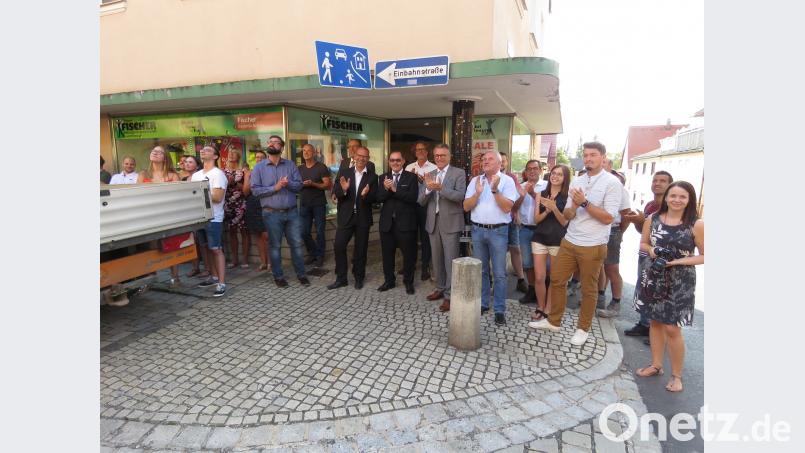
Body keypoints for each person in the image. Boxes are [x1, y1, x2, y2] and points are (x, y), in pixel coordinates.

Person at [529, 142, 623, 346]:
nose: (588, 158)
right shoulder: (578, 181)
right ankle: (554, 321)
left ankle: (583, 329)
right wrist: (567, 209)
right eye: (586, 155)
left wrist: (584, 203)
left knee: (588, 289)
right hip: (570, 239)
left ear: (603, 157)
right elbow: (569, 215)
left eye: (593, 155)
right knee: (556, 280)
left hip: (594, 244)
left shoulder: (612, 183)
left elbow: (608, 218)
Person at [633, 181, 704, 393]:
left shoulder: (695, 224)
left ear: (689, 200)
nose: (676, 200)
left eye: (682, 196)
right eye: (673, 195)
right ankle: (656, 365)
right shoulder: (652, 219)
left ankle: (677, 375)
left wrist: (677, 262)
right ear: (666, 197)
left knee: (672, 328)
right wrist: (653, 252)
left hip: (680, 280)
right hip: (654, 274)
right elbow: (643, 244)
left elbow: (704, 255)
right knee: (654, 321)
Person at [463, 151, 519, 326]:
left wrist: (494, 190)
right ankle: (483, 303)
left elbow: (507, 208)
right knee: (482, 270)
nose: (485, 162)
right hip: (478, 230)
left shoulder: (508, 181)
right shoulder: (475, 181)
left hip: (498, 232)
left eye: (490, 159)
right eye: (484, 159)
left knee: (500, 273)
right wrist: (478, 193)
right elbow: (466, 206)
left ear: (500, 163)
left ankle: (500, 309)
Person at [249, 135, 310, 288]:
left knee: (296, 244)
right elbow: (255, 191)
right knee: (275, 246)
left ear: (282, 147)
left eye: (276, 142)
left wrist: (287, 184)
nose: (272, 144)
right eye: (270, 142)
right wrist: (274, 188)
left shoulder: (290, 165)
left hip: (291, 212)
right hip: (271, 213)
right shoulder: (259, 167)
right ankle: (278, 276)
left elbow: (299, 186)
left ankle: (301, 274)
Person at [622, 170, 673, 337]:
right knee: (644, 288)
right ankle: (644, 324)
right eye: (655, 180)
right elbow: (642, 232)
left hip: (664, 256)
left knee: (662, 293)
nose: (657, 183)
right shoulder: (650, 205)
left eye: (662, 181)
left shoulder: (673, 205)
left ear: (670, 184)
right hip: (646, 254)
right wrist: (637, 221)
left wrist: (642, 221)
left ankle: (659, 332)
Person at [419, 144, 466, 312]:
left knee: (450, 259)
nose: (439, 158)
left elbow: (460, 196)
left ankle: (450, 295)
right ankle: (439, 288)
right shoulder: (429, 174)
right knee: (436, 258)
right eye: (437, 155)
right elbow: (420, 200)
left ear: (449, 156)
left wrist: (441, 188)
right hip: (433, 221)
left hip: (451, 222)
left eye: (443, 155)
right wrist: (427, 191)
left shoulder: (458, 173)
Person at [328, 146, 377, 290]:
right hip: (346, 217)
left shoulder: (373, 176)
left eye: (365, 157)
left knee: (361, 249)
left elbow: (375, 198)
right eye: (359, 156)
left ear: (368, 159)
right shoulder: (344, 172)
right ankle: (341, 278)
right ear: (354, 156)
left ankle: (359, 277)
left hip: (363, 218)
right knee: (339, 245)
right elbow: (336, 192)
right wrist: (343, 189)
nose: (362, 158)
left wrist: (365, 195)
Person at [528, 164, 570, 321]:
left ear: (565, 178)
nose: (555, 176)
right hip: (539, 238)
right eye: (553, 173)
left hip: (557, 240)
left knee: (554, 278)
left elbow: (564, 222)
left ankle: (548, 308)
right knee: (539, 277)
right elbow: (536, 219)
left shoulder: (568, 197)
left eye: (560, 174)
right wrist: (546, 210)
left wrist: (554, 208)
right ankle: (540, 305)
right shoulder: (541, 194)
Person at [376, 151, 419, 295]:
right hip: (387, 224)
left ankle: (408, 282)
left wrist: (395, 189)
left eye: (398, 160)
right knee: (387, 255)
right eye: (392, 160)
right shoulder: (383, 177)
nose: (395, 163)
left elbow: (412, 198)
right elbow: (379, 198)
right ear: (389, 162)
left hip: (406, 224)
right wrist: (386, 189)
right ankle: (389, 281)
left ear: (403, 161)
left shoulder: (411, 177)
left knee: (408, 255)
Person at [192, 146, 229, 297]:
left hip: (214, 218)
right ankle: (213, 277)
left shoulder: (218, 174)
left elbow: (218, 197)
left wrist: (199, 193)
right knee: (205, 248)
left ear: (215, 156)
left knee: (216, 249)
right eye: (202, 150)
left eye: (207, 150)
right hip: (199, 217)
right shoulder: (196, 175)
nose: (203, 151)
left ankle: (221, 283)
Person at [597, 171, 634, 317]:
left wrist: (619, 232)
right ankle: (600, 296)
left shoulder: (621, 190)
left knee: (611, 268)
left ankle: (616, 303)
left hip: (613, 230)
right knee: (600, 267)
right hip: (599, 230)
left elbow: (627, 215)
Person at [512, 160, 548, 304]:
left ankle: (543, 292)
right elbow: (514, 208)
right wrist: (522, 195)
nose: (532, 171)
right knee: (527, 263)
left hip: (542, 230)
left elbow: (548, 206)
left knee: (543, 264)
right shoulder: (520, 186)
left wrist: (533, 194)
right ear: (525, 172)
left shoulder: (547, 186)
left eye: (535, 168)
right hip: (525, 229)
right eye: (529, 169)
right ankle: (532, 290)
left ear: (540, 170)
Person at [405, 141, 438, 281]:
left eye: (423, 150)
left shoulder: (434, 167)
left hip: (426, 207)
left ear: (427, 152)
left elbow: (434, 188)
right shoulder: (409, 167)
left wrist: (423, 181)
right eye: (417, 150)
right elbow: (404, 186)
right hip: (411, 207)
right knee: (410, 237)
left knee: (425, 238)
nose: (420, 152)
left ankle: (425, 267)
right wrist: (413, 179)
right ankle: (410, 264)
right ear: (415, 152)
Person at [298, 143, 332, 267]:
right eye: (304, 150)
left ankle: (320, 256)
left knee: (320, 232)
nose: (306, 153)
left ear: (313, 153)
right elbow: (296, 185)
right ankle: (312, 253)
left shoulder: (321, 167)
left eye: (308, 151)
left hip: (318, 204)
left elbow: (327, 185)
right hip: (304, 204)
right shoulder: (299, 168)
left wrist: (313, 184)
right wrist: (301, 184)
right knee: (303, 232)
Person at [500, 152, 528, 293]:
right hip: (496, 222)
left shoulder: (511, 177)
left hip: (510, 219)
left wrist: (515, 211)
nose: (502, 163)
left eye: (504, 161)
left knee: (515, 249)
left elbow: (521, 194)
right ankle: (496, 281)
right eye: (501, 161)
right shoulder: (484, 177)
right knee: (497, 252)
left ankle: (521, 279)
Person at [223, 148, 251, 269]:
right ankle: (234, 260)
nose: (231, 155)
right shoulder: (222, 171)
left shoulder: (243, 170)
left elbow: (247, 190)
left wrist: (234, 183)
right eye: (229, 153)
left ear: (239, 156)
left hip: (241, 203)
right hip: (228, 204)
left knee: (244, 232)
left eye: (234, 153)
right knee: (232, 232)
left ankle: (245, 259)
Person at [244, 150, 270, 272]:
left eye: (261, 157)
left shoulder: (269, 172)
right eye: (257, 157)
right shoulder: (250, 172)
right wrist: (247, 177)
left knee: (266, 235)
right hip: (253, 205)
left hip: (265, 204)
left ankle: (271, 262)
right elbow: (245, 191)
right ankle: (263, 262)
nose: (258, 159)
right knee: (258, 235)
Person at [181, 155, 206, 277]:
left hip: (200, 212)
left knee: (203, 242)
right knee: (191, 241)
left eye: (190, 162)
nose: (187, 164)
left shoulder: (201, 176)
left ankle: (207, 267)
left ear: (197, 165)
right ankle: (195, 267)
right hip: (188, 213)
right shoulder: (184, 179)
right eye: (186, 162)